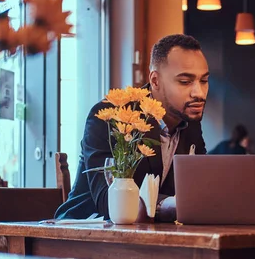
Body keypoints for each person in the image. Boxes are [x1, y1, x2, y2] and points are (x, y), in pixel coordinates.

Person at [55, 34, 209, 221]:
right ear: (155, 81)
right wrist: (167, 204)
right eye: (185, 82)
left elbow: (198, 192)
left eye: (204, 81)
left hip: (152, 234)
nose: (199, 93)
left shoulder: (190, 123)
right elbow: (109, 201)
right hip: (85, 229)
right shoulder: (112, 117)